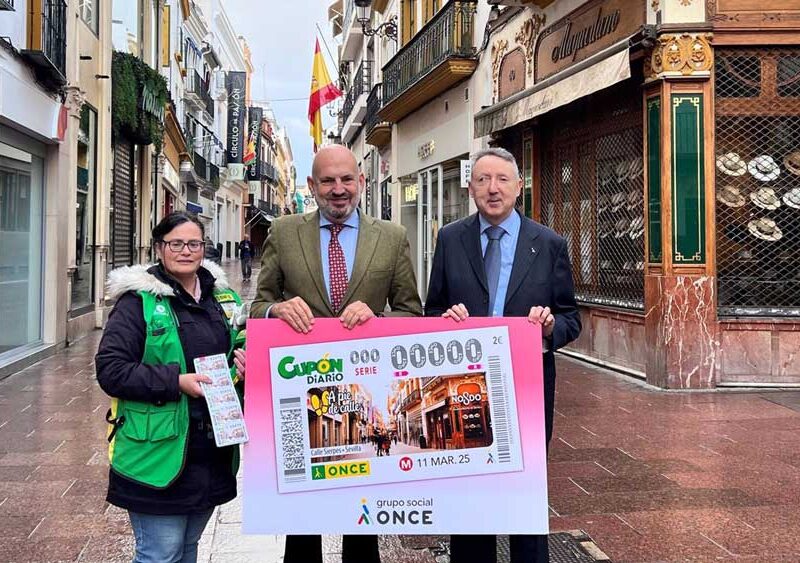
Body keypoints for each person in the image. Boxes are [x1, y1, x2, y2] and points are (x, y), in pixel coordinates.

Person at [251, 144, 422, 563]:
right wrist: (277, 309)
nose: (338, 189)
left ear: (361, 182)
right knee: (301, 520)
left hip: (362, 390)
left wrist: (378, 318)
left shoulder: (392, 237)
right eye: (327, 180)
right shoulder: (285, 232)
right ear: (312, 186)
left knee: (361, 521)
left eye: (347, 179)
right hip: (299, 394)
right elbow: (257, 307)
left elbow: (411, 313)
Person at [424, 147, 581, 563]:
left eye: (502, 180)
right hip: (464, 390)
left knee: (524, 499)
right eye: (482, 180)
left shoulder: (549, 244)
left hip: (525, 390)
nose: (492, 189)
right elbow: (430, 310)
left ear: (519, 186)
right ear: (471, 187)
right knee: (471, 496)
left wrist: (549, 329)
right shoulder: (450, 239)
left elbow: (571, 318)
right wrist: (445, 319)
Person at [95, 211, 247, 563]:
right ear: (159, 248)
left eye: (193, 243)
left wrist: (245, 364)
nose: (185, 251)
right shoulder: (137, 302)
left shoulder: (223, 300)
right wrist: (176, 382)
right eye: (175, 243)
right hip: (157, 450)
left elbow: (238, 347)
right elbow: (111, 370)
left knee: (188, 547)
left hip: (210, 448)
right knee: (159, 553)